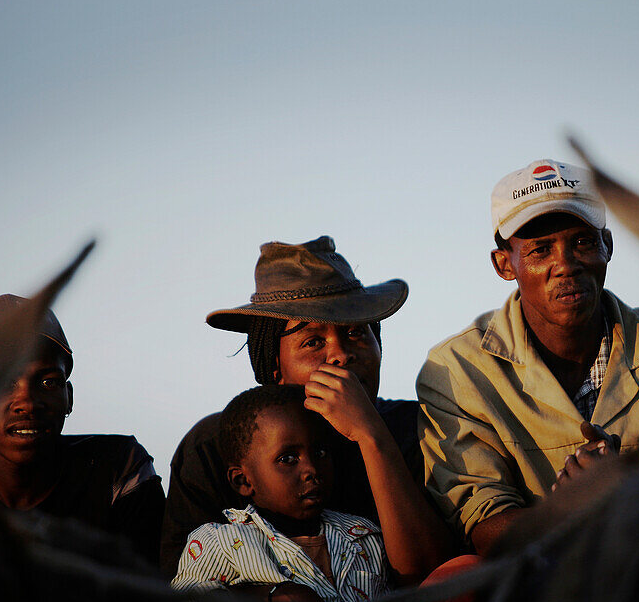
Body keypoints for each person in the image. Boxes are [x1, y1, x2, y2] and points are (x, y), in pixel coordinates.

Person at [417, 159, 639, 555]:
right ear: (504, 264)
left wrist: (627, 478)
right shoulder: (457, 369)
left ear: (607, 246)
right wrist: (572, 508)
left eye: (582, 241)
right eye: (540, 250)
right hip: (536, 593)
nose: (565, 265)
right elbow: (485, 527)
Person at [161, 236, 451, 581]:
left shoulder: (421, 428)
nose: (340, 354)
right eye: (313, 341)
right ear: (274, 370)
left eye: (357, 333)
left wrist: (372, 436)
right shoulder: (217, 445)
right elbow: (190, 595)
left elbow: (432, 576)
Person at [172, 385, 394, 602]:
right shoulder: (221, 542)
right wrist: (276, 598)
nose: (311, 470)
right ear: (243, 480)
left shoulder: (363, 535)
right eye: (288, 458)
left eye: (320, 453)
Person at [0, 294, 165, 565]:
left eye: (48, 382)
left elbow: (148, 597)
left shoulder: (118, 473)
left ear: (69, 397)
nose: (27, 403)